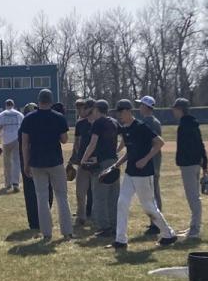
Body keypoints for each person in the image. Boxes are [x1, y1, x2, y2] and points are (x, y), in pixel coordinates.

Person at [103, 99, 176, 250]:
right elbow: (129, 152)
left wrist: (145, 159)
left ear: (129, 111)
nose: (119, 116)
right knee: (122, 203)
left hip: (144, 174)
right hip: (130, 173)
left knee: (149, 207)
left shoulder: (141, 127)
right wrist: (115, 165)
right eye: (118, 113)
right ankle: (121, 240)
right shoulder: (125, 129)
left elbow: (159, 143)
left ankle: (168, 234)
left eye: (121, 112)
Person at [20, 89, 73, 242]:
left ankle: (46, 233)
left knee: (41, 197)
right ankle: (67, 232)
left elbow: (24, 144)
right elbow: (64, 140)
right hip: (55, 161)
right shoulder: (58, 117)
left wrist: (26, 163)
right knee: (62, 196)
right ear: (51, 101)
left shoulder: (29, 118)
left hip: (36, 162)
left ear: (38, 101)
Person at [80, 99, 120, 238]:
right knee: (113, 196)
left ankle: (105, 227)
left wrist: (83, 159)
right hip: (114, 161)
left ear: (97, 110)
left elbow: (92, 143)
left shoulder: (98, 123)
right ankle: (115, 226)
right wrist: (116, 150)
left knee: (99, 196)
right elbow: (123, 140)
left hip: (102, 163)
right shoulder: (114, 122)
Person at [173, 98, 208, 240]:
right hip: (193, 164)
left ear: (180, 109)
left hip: (189, 165)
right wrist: (204, 164)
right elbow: (200, 144)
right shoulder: (191, 123)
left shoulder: (185, 125)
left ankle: (195, 229)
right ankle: (193, 226)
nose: (173, 111)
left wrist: (186, 160)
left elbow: (193, 146)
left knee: (193, 197)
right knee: (193, 197)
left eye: (175, 108)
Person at [18, 102, 51, 230]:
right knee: (43, 191)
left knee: (31, 192)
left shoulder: (24, 126)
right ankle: (42, 219)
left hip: (29, 161)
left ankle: (35, 222)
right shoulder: (43, 124)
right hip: (40, 161)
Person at [136, 95, 163, 235]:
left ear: (146, 107)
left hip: (150, 162)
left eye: (141, 105)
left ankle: (157, 224)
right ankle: (154, 222)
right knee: (152, 193)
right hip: (153, 161)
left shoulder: (148, 122)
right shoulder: (154, 121)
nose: (139, 107)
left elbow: (153, 144)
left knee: (153, 194)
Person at [70, 98, 95, 226]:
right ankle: (81, 215)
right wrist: (76, 157)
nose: (81, 110)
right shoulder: (80, 124)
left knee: (95, 191)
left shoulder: (100, 123)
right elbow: (77, 142)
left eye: (84, 108)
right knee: (80, 191)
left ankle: (94, 213)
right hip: (83, 162)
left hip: (96, 162)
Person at [0, 99, 24, 192]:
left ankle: (8, 183)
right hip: (17, 139)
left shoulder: (2, 114)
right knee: (16, 162)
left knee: (7, 163)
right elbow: (23, 128)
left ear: (6, 105)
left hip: (6, 140)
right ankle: (16, 183)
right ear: (13, 105)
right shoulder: (19, 114)